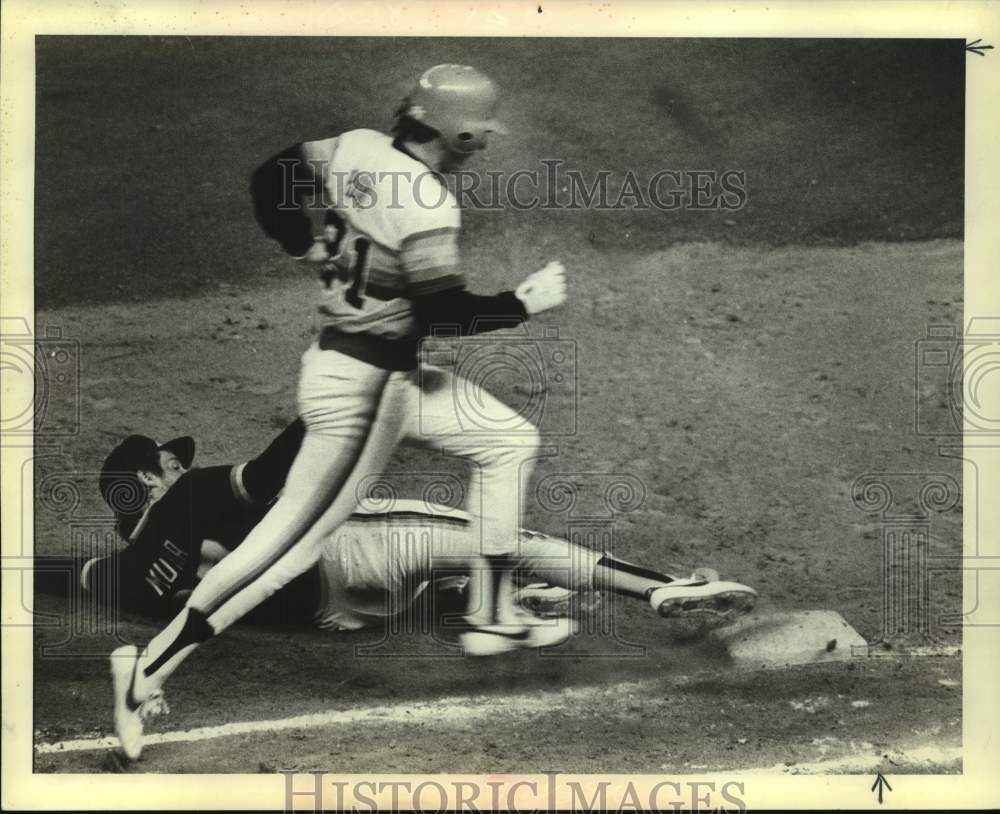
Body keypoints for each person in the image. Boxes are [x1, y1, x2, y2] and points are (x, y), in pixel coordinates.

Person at [107, 64, 573, 761]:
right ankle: (144, 674)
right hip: (362, 394)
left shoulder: (355, 147)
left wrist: (305, 242)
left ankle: (492, 614)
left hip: (372, 372)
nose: (483, 143)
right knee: (279, 552)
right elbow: (441, 310)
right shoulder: (427, 205)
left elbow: (271, 179)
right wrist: (521, 305)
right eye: (480, 132)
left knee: (507, 440)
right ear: (465, 133)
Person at [37, 425, 757, 635]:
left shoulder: (126, 577)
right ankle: (660, 591)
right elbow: (266, 474)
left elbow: (60, 573)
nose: (174, 464)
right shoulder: (192, 493)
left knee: (426, 577)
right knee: (507, 535)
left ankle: (500, 602)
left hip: (331, 616)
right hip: (349, 551)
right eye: (166, 461)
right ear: (158, 475)